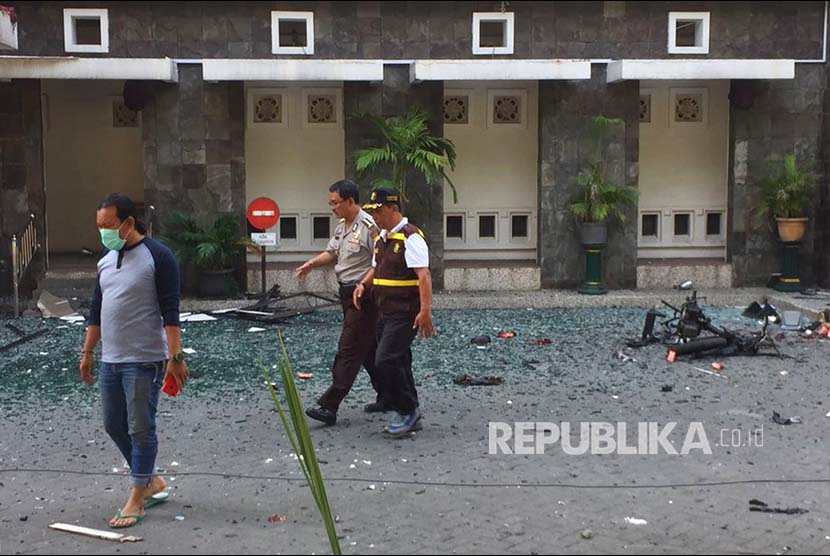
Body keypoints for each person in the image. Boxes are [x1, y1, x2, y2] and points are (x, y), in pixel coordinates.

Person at [79, 193, 188, 529]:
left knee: (141, 428)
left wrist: (176, 357)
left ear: (128, 222)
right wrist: (87, 352)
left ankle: (137, 498)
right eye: (99, 227)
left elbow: (171, 311)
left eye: (108, 226)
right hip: (112, 358)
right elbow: (96, 310)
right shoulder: (105, 260)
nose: (103, 232)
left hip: (145, 359)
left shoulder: (159, 256)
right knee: (114, 424)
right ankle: (151, 480)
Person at [295, 180, 388, 426]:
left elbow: (380, 262)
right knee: (368, 349)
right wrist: (311, 264)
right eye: (330, 203)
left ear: (350, 201)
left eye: (335, 203)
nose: (332, 208)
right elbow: (333, 253)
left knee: (348, 349)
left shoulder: (368, 226)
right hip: (346, 293)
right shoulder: (342, 226)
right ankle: (390, 394)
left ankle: (330, 404)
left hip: (363, 296)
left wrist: (364, 285)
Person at [353, 188, 435, 437]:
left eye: (379, 211)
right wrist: (363, 284)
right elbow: (375, 268)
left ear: (394, 209)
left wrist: (425, 311)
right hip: (385, 311)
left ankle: (407, 410)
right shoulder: (383, 238)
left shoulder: (411, 237)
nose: (375, 216)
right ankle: (411, 410)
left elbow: (424, 276)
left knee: (385, 359)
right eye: (373, 211)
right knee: (399, 359)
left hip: (404, 312)